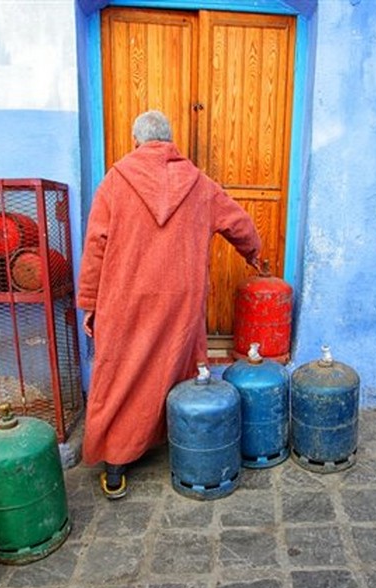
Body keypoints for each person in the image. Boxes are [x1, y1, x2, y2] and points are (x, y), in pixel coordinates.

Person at [77, 110, 262, 499]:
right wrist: (254, 253)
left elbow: (96, 245)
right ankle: (183, 443)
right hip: (181, 295)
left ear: (137, 141)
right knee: (177, 365)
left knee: (122, 371)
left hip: (126, 295)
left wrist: (90, 302)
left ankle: (116, 463)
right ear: (170, 140)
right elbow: (238, 223)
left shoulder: (115, 181)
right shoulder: (198, 182)